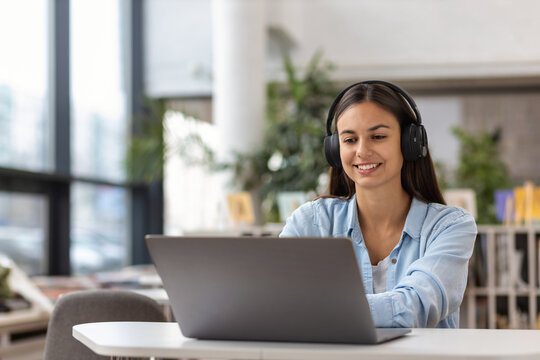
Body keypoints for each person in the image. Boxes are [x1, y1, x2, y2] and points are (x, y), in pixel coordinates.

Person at [279, 80, 477, 328]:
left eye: (378, 136)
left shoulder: (449, 227)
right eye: (350, 140)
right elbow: (277, 298)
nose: (362, 151)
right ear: (334, 149)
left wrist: (319, 310)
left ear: (409, 143)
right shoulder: (311, 222)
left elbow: (416, 306)